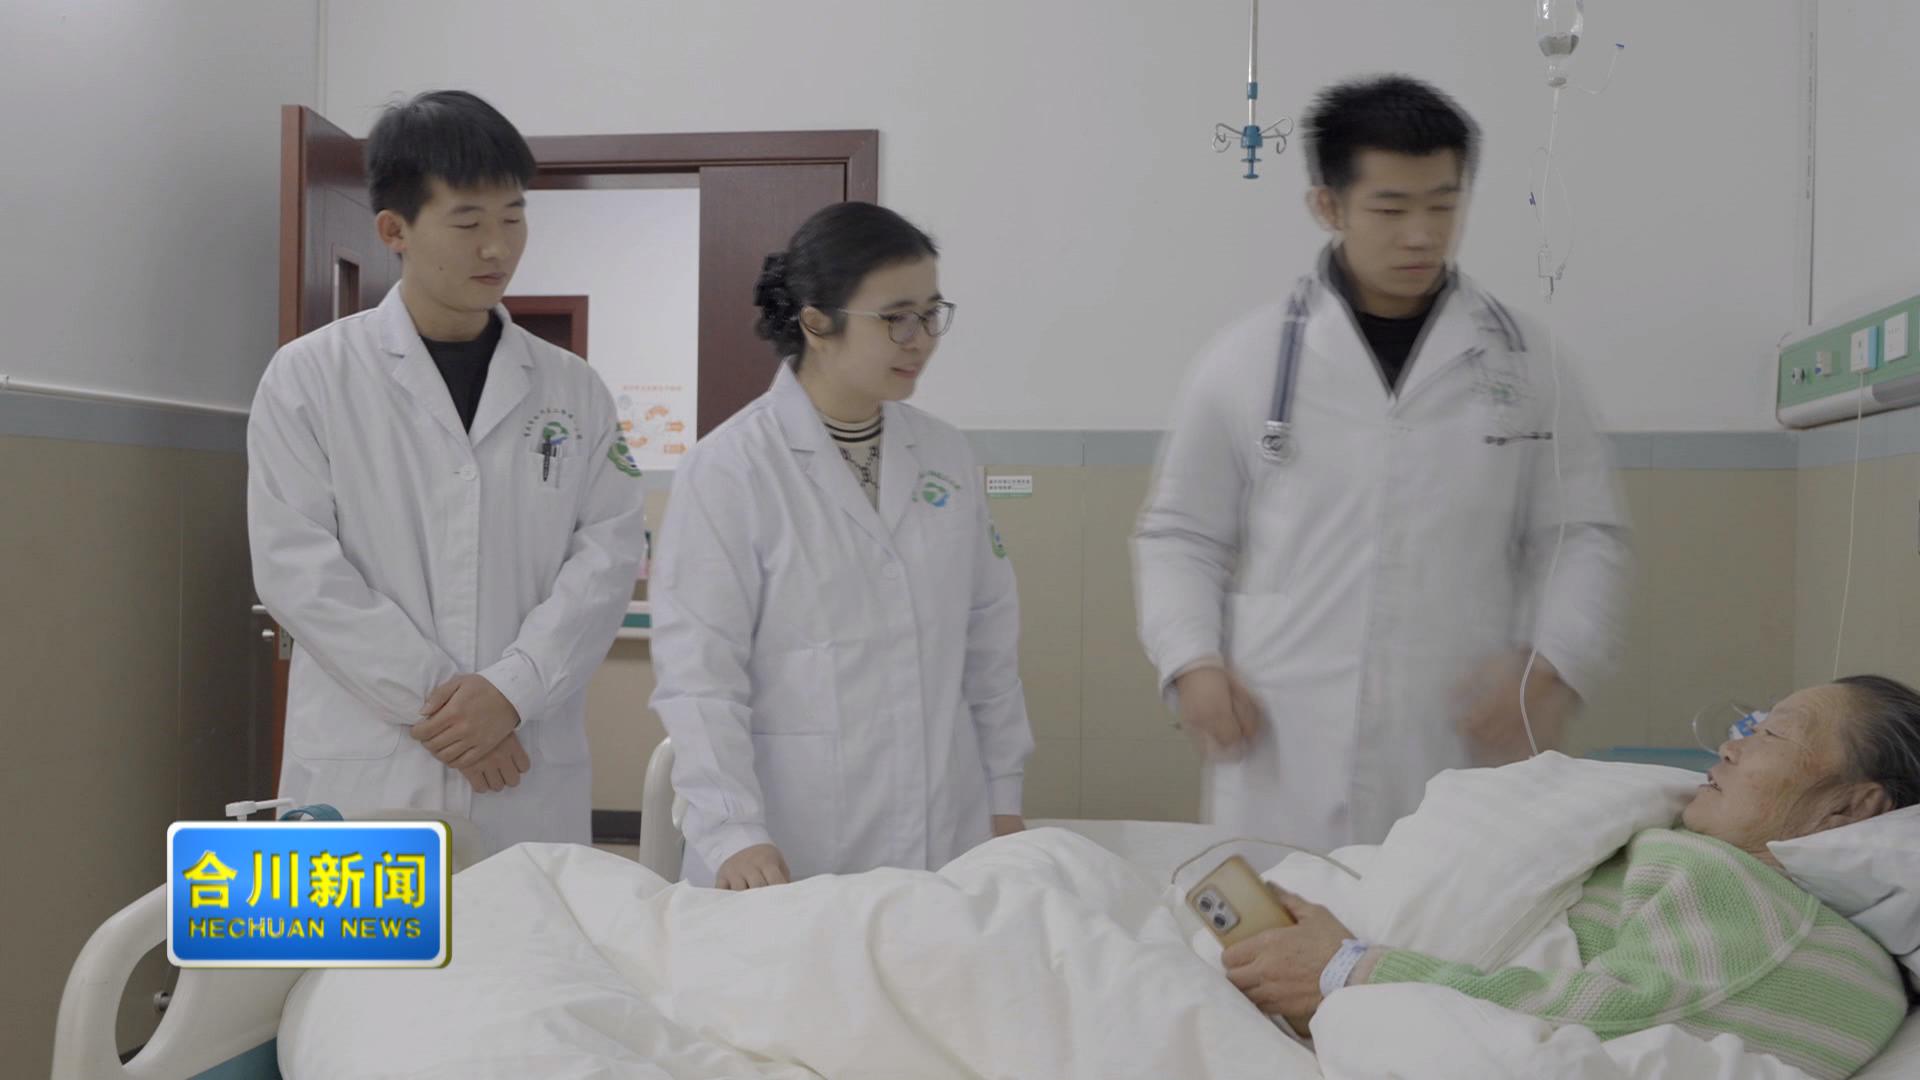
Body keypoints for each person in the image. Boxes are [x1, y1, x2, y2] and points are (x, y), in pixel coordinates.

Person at [1134, 75, 1631, 851]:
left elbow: (1582, 533)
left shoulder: (1530, 364)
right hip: (1286, 742)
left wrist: (1551, 664)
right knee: (1278, 919)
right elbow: (1180, 536)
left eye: (1443, 205)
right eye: (1391, 209)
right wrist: (1193, 662)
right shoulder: (1244, 362)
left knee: (1445, 918)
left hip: (1460, 733)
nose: (1422, 236)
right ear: (1328, 207)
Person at [248, 90, 648, 849]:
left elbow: (607, 557)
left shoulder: (573, 389)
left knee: (528, 925)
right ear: (393, 230)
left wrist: (512, 691)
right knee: (362, 932)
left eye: (513, 218)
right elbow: (296, 570)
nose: (497, 249)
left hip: (524, 759)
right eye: (468, 223)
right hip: (370, 767)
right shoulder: (310, 377)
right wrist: (453, 712)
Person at [1226, 675, 1919, 1080]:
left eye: (1772, 734)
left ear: (1852, 807)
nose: (1731, 745)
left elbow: (1599, 1017)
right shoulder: (1720, 866)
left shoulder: (1765, 913)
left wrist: (1348, 970)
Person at [650, 202, 1033, 890]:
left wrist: (1003, 796)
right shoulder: (731, 468)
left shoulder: (944, 454)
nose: (921, 340)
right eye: (896, 318)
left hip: (945, 832)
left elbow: (988, 643)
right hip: (785, 847)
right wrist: (734, 831)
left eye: (932, 314)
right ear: (816, 322)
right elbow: (699, 674)